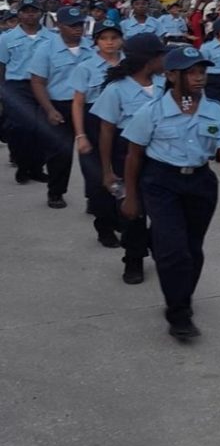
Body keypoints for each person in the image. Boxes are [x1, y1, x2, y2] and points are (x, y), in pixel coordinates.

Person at [121, 46, 220, 339]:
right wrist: (131, 196)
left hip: (200, 183)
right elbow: (133, 156)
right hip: (161, 182)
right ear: (171, 76)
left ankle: (181, 296)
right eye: (191, 72)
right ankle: (178, 314)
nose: (199, 77)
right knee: (173, 251)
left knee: (192, 250)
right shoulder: (151, 112)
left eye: (202, 71)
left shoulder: (215, 111)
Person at [90, 33, 166, 284]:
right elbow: (106, 131)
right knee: (132, 211)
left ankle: (152, 243)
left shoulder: (166, 84)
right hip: (127, 153)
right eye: (160, 55)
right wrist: (107, 170)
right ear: (148, 60)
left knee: (164, 209)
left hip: (162, 153)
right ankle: (133, 260)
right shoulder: (116, 89)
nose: (164, 60)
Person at [29, 6, 95, 209]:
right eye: (72, 25)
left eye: (80, 24)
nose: (78, 29)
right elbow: (38, 82)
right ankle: (56, 192)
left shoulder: (92, 47)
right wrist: (49, 109)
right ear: (59, 25)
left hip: (88, 105)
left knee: (91, 154)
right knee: (60, 153)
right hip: (59, 105)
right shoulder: (46, 49)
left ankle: (94, 198)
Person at [69, 19, 123, 248]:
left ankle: (122, 220)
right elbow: (78, 103)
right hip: (94, 122)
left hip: (122, 123)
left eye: (114, 38)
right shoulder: (86, 67)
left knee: (122, 174)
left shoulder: (130, 65)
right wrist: (80, 135)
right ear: (96, 42)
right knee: (99, 178)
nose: (109, 43)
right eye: (104, 38)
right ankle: (105, 228)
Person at [0, 0, 53, 185]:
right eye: (25, 11)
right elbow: (1, 66)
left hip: (44, 86)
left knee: (42, 130)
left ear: (41, 13)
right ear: (19, 14)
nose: (30, 15)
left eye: (34, 11)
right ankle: (23, 166)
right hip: (17, 86)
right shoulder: (6, 38)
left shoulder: (52, 37)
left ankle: (37, 168)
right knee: (22, 129)